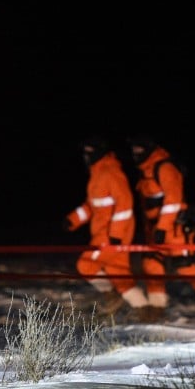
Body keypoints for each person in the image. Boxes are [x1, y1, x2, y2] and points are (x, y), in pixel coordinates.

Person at [127, 135, 195, 323]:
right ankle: (157, 308)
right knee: (152, 264)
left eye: (139, 148)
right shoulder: (145, 171)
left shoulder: (164, 167)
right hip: (156, 229)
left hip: (174, 229)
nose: (136, 152)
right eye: (133, 149)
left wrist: (162, 228)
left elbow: (173, 200)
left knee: (184, 266)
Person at [65, 136, 150, 319]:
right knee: (118, 271)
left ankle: (111, 296)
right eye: (85, 151)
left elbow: (125, 204)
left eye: (90, 150)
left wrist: (116, 235)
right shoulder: (97, 173)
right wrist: (73, 220)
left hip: (110, 234)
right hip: (105, 232)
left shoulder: (110, 171)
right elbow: (92, 205)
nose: (86, 155)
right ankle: (144, 309)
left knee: (86, 264)